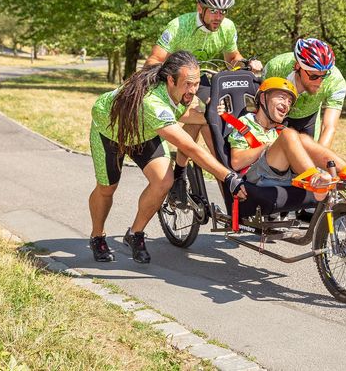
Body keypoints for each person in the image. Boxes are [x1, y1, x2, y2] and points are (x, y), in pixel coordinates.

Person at [88, 50, 247, 264]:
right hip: (109, 132)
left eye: (197, 83)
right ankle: (97, 236)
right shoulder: (153, 102)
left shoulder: (179, 92)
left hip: (146, 132)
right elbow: (190, 148)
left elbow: (182, 114)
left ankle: (135, 234)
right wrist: (229, 177)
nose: (193, 90)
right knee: (107, 189)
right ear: (170, 80)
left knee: (164, 181)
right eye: (188, 84)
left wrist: (214, 115)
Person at [143, 0, 264, 209]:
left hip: (205, 80)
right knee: (210, 121)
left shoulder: (227, 27)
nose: (219, 17)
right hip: (177, 81)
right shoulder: (179, 26)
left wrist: (247, 63)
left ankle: (183, 173)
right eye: (214, 11)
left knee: (218, 121)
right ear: (201, 8)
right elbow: (153, 60)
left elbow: (232, 58)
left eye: (224, 11)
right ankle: (218, 179)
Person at [225, 77, 346, 201]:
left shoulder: (278, 129)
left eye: (289, 102)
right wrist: (267, 146)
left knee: (301, 138)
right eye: (281, 98)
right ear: (263, 99)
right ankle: (315, 180)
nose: (286, 104)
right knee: (289, 135)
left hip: (282, 173)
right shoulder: (245, 123)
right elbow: (237, 162)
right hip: (255, 176)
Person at [263, 38, 346, 148]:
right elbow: (261, 102)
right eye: (313, 76)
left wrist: (320, 159)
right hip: (275, 114)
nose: (319, 82)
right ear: (298, 66)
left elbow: (329, 127)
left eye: (324, 75)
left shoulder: (336, 81)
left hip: (308, 117)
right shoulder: (276, 67)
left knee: (309, 157)